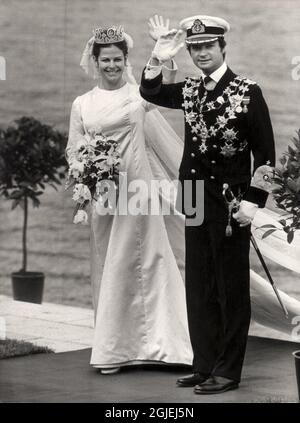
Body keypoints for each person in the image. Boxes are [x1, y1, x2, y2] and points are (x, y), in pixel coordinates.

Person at [140, 15, 276, 394]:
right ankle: (204, 365)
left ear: (222, 48)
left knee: (230, 287)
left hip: (232, 205)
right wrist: (156, 56)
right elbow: (149, 93)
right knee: (199, 284)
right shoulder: (189, 91)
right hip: (196, 198)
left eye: (207, 46)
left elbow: (266, 156)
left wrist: (254, 202)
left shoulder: (248, 91)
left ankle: (228, 371)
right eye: (194, 48)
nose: (201, 53)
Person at [65, 22, 193, 374]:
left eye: (118, 59)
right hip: (106, 198)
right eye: (105, 60)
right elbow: (73, 150)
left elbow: (161, 90)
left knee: (153, 262)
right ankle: (114, 351)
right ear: (95, 60)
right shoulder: (82, 104)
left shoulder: (139, 97)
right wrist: (86, 169)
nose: (112, 66)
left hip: (140, 193)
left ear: (125, 60)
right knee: (112, 266)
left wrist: (162, 56)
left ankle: (168, 348)